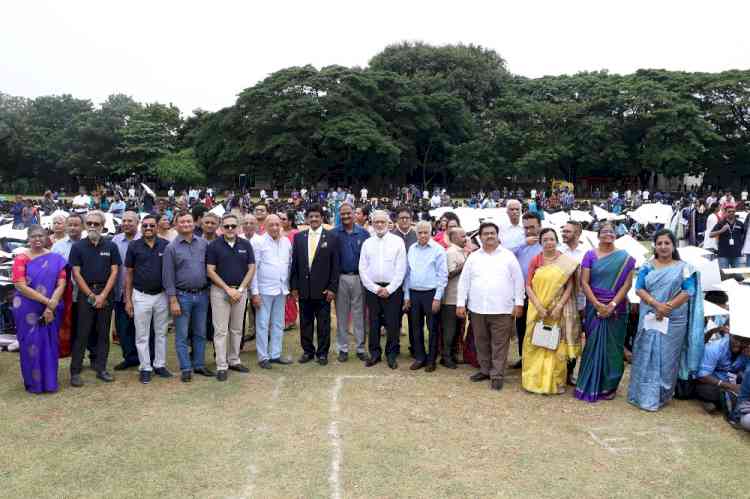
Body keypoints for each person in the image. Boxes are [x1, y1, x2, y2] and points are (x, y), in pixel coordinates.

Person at [627, 230, 704, 411]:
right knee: (646, 353)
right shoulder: (647, 266)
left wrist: (667, 307)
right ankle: (641, 394)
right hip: (650, 317)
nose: (663, 247)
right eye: (659, 243)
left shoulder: (684, 267)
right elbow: (639, 288)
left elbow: (688, 291)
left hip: (675, 319)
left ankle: (662, 395)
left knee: (668, 357)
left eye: (667, 243)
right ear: (655, 245)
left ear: (673, 245)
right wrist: (656, 305)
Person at [457, 222, 525, 390]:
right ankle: (485, 370)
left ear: (497, 235)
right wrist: (460, 303)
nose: (489, 236)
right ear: (480, 237)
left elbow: (519, 281)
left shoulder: (508, 256)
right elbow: (464, 281)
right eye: (485, 233)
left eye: (492, 233)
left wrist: (519, 303)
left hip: (502, 309)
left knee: (500, 343)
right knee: (481, 341)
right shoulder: (473, 257)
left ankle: (497, 374)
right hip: (478, 308)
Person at [575, 222, 636, 402]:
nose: (608, 234)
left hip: (617, 308)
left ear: (615, 235)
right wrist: (597, 304)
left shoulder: (625, 258)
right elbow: (584, 282)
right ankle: (588, 383)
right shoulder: (590, 255)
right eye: (604, 231)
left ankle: (609, 386)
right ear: (598, 235)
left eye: (611, 231)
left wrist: (612, 305)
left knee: (614, 347)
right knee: (592, 344)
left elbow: (627, 284)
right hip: (594, 307)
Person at [522, 228, 579, 395]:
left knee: (554, 344)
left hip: (556, 309)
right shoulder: (536, 260)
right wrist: (538, 307)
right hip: (537, 309)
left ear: (557, 241)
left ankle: (554, 382)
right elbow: (528, 285)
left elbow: (569, 286)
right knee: (535, 342)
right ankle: (533, 381)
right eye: (545, 240)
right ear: (540, 242)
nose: (549, 242)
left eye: (552, 239)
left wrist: (560, 305)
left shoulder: (565, 261)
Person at [11, 225, 67, 393]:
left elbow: (62, 283)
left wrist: (52, 303)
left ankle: (49, 382)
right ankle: (34, 383)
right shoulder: (21, 258)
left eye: (41, 236)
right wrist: (47, 301)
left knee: (49, 343)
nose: (37, 239)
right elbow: (19, 285)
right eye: (34, 236)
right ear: (28, 238)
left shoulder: (56, 258)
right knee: (30, 343)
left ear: (46, 237)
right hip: (27, 307)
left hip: (52, 305)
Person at [69, 211, 121, 387]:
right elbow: (76, 273)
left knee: (103, 333)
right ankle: (75, 371)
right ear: (85, 225)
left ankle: (101, 369)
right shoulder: (77, 247)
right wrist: (92, 296)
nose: (92, 226)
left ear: (102, 225)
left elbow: (115, 271)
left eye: (96, 224)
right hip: (86, 295)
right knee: (82, 333)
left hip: (106, 294)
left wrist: (103, 295)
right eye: (89, 223)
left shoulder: (111, 246)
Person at [163, 211, 213, 383]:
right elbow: (168, 277)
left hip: (202, 295)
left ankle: (198, 364)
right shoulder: (171, 248)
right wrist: (173, 299)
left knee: (200, 333)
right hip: (182, 296)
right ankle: (185, 367)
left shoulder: (204, 244)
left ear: (194, 224)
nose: (185, 224)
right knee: (182, 334)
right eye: (182, 222)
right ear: (176, 225)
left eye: (189, 221)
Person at [123, 214, 172, 384]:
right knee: (142, 335)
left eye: (152, 226)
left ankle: (159, 364)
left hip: (161, 296)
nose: (148, 229)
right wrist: (128, 300)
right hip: (140, 295)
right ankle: (145, 367)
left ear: (157, 227)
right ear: (141, 228)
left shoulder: (166, 245)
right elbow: (128, 274)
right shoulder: (134, 246)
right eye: (145, 226)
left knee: (161, 333)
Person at [207, 213, 256, 381]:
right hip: (220, 292)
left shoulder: (246, 245)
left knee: (237, 329)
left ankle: (234, 360)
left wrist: (241, 289)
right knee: (221, 331)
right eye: (226, 226)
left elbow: (251, 268)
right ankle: (222, 365)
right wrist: (227, 289)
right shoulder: (214, 245)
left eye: (233, 226)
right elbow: (210, 270)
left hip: (240, 292)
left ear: (238, 227)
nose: (229, 229)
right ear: (221, 228)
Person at [291, 205, 339, 365]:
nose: (313, 219)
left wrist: (332, 288)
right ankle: (308, 351)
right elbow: (295, 265)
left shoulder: (331, 237)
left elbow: (335, 266)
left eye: (317, 216)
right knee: (305, 323)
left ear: (322, 218)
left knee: (324, 324)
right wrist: (295, 287)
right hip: (304, 289)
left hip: (324, 290)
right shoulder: (299, 237)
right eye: (310, 216)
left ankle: (322, 353)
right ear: (306, 219)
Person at [359, 210, 407, 369]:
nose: (379, 225)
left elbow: (401, 269)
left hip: (392, 290)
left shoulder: (397, 242)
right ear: (372, 223)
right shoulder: (367, 243)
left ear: (388, 223)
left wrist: (390, 289)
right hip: (373, 289)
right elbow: (362, 269)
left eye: (382, 222)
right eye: (376, 222)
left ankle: (391, 355)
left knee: (393, 324)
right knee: (374, 323)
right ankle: (374, 354)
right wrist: (374, 288)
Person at [403, 221, 448, 372]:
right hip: (414, 293)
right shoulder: (412, 249)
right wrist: (407, 295)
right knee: (415, 327)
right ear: (416, 234)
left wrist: (437, 298)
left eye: (425, 232)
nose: (422, 235)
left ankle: (431, 360)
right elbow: (408, 274)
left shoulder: (438, 250)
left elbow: (443, 276)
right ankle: (420, 357)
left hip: (431, 294)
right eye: (420, 232)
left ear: (431, 233)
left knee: (433, 328)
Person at [251, 214, 293, 369]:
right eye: (272, 225)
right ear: (265, 226)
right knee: (262, 324)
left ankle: (275, 354)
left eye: (277, 224)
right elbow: (253, 269)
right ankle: (263, 357)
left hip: (281, 289)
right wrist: (254, 292)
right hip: (264, 290)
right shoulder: (259, 242)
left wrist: (288, 288)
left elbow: (288, 265)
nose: (275, 228)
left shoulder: (286, 242)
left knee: (278, 323)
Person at [332, 203, 370, 362]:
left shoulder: (364, 233)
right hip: (340, 278)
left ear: (354, 214)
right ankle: (343, 348)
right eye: (343, 214)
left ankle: (361, 348)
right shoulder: (334, 233)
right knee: (341, 315)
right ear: (339, 215)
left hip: (359, 278)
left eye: (349, 213)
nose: (346, 216)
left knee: (359, 314)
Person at [511, 212, 543, 368]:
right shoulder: (520, 244)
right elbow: (504, 253)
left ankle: (537, 359)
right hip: (522, 294)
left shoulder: (546, 244)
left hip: (540, 294)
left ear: (540, 226)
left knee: (537, 327)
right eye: (526, 228)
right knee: (521, 327)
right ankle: (523, 357)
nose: (529, 230)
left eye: (532, 227)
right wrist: (524, 243)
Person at [111, 211, 140, 371]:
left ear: (137, 222)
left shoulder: (144, 239)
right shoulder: (115, 240)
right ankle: (129, 357)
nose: (127, 223)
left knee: (140, 327)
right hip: (119, 291)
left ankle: (143, 356)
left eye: (130, 221)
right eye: (124, 220)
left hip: (139, 291)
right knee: (123, 328)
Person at [560, 220, 586, 384]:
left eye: (568, 231)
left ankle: (572, 372)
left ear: (578, 233)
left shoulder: (586, 253)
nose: (564, 234)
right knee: (562, 335)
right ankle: (561, 371)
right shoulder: (559, 251)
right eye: (563, 231)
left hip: (581, 300)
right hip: (561, 300)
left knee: (575, 335)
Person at [391, 207, 418, 356]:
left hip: (414, 285)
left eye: (407, 217)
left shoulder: (417, 235)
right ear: (396, 220)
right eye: (401, 218)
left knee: (414, 320)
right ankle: (394, 348)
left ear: (411, 219)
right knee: (395, 319)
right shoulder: (391, 236)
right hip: (396, 285)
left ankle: (415, 348)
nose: (404, 220)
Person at [442, 227, 467, 369]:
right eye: (462, 236)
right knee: (449, 329)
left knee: (457, 329)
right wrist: (465, 266)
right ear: (454, 238)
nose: (466, 239)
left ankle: (452, 354)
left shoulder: (461, 252)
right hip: (451, 298)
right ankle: (446, 356)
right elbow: (449, 274)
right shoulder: (451, 252)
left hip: (459, 298)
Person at [280, 210, 300, 330]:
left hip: (293, 268)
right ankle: (284, 318)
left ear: (290, 221)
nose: (281, 221)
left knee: (291, 294)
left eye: (284, 219)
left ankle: (290, 319)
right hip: (282, 268)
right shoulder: (279, 232)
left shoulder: (296, 234)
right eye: (281, 219)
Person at [709, 203, 744, 269]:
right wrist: (721, 231)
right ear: (725, 212)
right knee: (724, 276)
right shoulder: (721, 223)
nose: (731, 213)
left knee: (738, 276)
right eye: (729, 211)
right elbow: (711, 235)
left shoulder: (740, 223)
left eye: (733, 211)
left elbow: (743, 235)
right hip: (723, 254)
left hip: (736, 254)